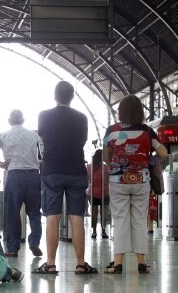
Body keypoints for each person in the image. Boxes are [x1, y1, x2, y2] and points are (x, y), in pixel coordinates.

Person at [35, 81, 97, 274]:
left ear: (55, 95)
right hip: (76, 170)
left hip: (52, 169)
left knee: (52, 216)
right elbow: (83, 140)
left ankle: (51, 263)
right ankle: (80, 264)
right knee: (76, 216)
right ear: (72, 97)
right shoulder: (82, 118)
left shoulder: (44, 115)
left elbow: (43, 138)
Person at [102, 95, 167, 274]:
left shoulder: (111, 130)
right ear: (140, 111)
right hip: (141, 181)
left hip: (118, 181)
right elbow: (162, 152)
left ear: (120, 111)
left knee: (121, 220)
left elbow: (106, 158)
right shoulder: (147, 131)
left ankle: (117, 264)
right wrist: (147, 155)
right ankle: (141, 263)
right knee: (139, 221)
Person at [0, 109, 43, 258]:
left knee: (12, 213)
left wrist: (0, 163)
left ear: (10, 121)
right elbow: (42, 155)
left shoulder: (4, 135)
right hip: (34, 174)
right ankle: (34, 241)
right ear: (23, 120)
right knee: (34, 212)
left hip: (15, 175)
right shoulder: (34, 135)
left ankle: (12, 248)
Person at [86, 149, 110, 239]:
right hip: (105, 192)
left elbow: (87, 179)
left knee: (94, 213)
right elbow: (108, 179)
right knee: (104, 213)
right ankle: (103, 231)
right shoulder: (106, 167)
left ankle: (94, 232)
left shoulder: (89, 167)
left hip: (93, 193)